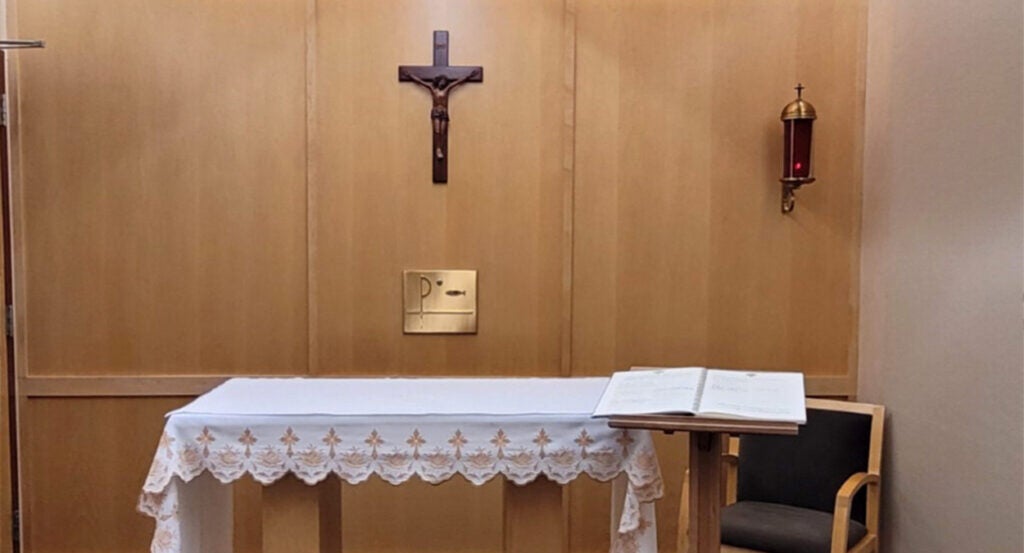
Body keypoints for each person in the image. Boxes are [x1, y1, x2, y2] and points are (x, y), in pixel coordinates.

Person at [402, 70, 479, 158]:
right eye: (441, 81)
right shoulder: (432, 89)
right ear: (438, 81)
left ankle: (440, 148)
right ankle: (438, 149)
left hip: (444, 112)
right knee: (437, 131)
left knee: (443, 132)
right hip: (436, 112)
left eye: (444, 82)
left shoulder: (447, 90)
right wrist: (410, 76)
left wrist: (468, 76)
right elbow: (420, 82)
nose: (442, 83)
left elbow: (458, 83)